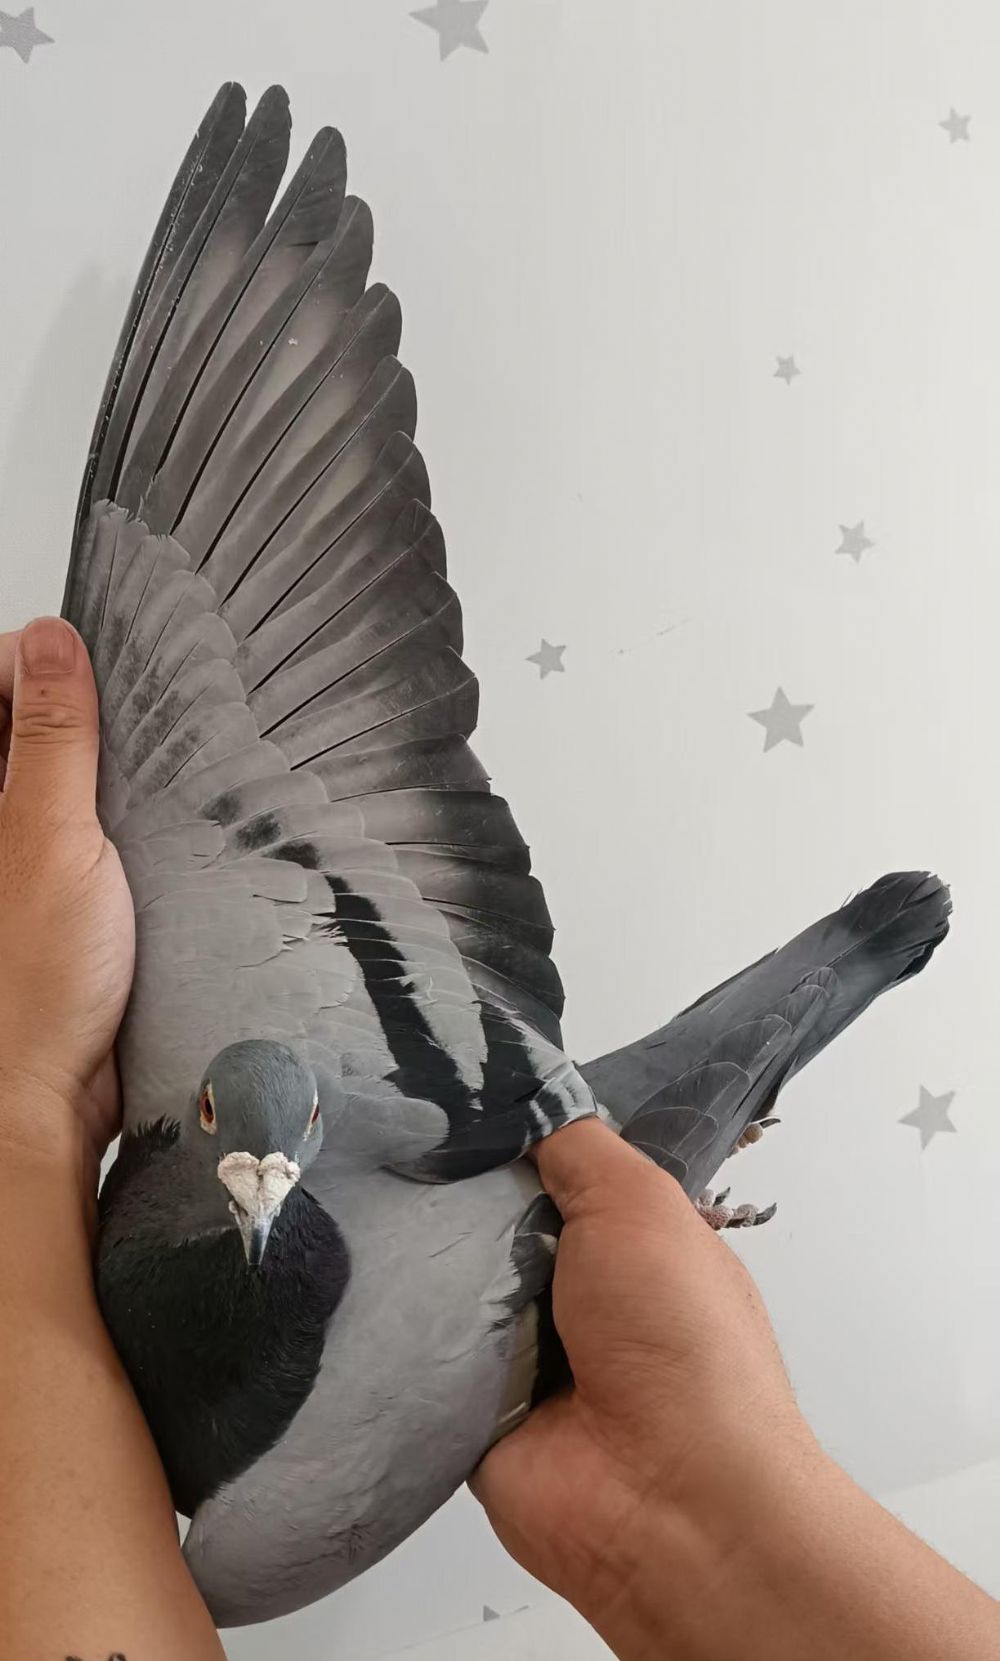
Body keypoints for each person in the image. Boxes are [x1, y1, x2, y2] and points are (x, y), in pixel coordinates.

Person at [0, 617, 996, 1661]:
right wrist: (30, 1094)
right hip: (530, 1184)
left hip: (529, 1195)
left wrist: (34, 1093)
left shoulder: (249, 1529)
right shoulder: (253, 1531)